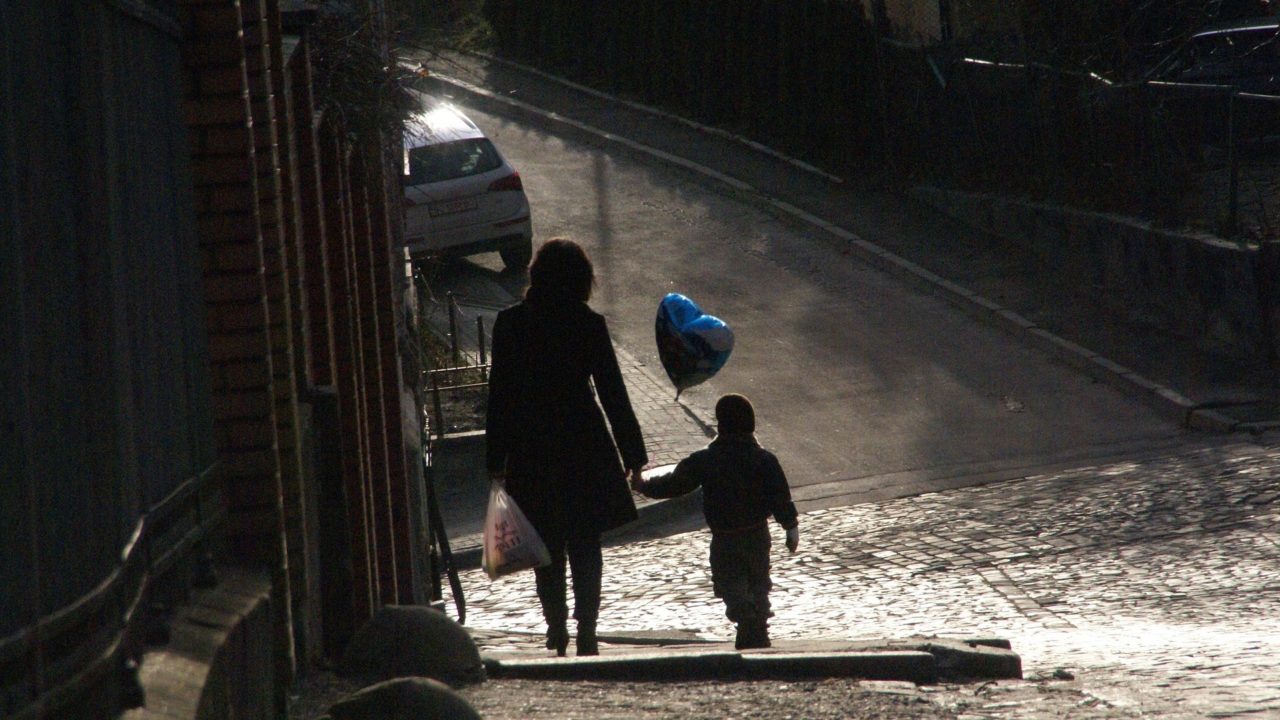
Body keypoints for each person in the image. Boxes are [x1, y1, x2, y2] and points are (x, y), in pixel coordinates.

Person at [485, 238, 647, 657]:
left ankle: (555, 628)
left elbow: (499, 394)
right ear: (581, 279)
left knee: (547, 546)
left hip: (530, 444)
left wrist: (495, 460)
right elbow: (613, 392)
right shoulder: (588, 323)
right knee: (585, 543)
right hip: (583, 442)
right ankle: (587, 631)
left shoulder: (511, 323)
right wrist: (634, 457)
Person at [630, 393, 799, 649]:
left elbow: (676, 484)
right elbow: (780, 497)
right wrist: (791, 527)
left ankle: (745, 621)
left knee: (730, 584)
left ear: (720, 424)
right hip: (756, 534)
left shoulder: (705, 459)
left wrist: (645, 486)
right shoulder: (765, 460)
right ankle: (759, 625)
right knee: (759, 582)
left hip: (724, 536)